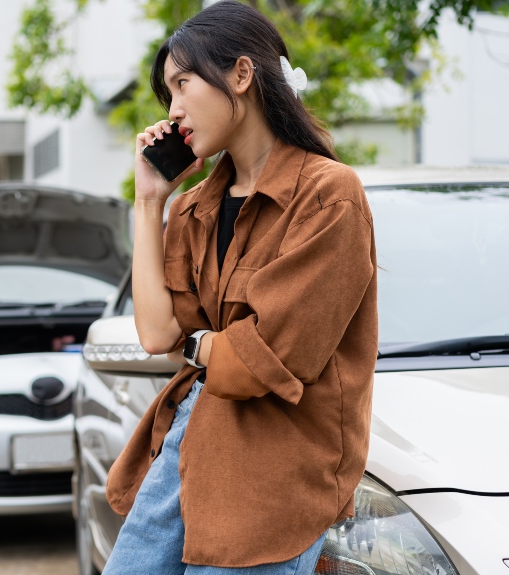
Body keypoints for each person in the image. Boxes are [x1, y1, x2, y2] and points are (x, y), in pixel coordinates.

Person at [103, 2, 378, 573]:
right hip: (191, 444)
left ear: (242, 75)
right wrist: (149, 199)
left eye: (183, 84)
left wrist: (199, 344)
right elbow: (157, 333)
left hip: (271, 477)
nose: (173, 111)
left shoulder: (329, 196)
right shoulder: (194, 207)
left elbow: (261, 360)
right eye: (168, 94)